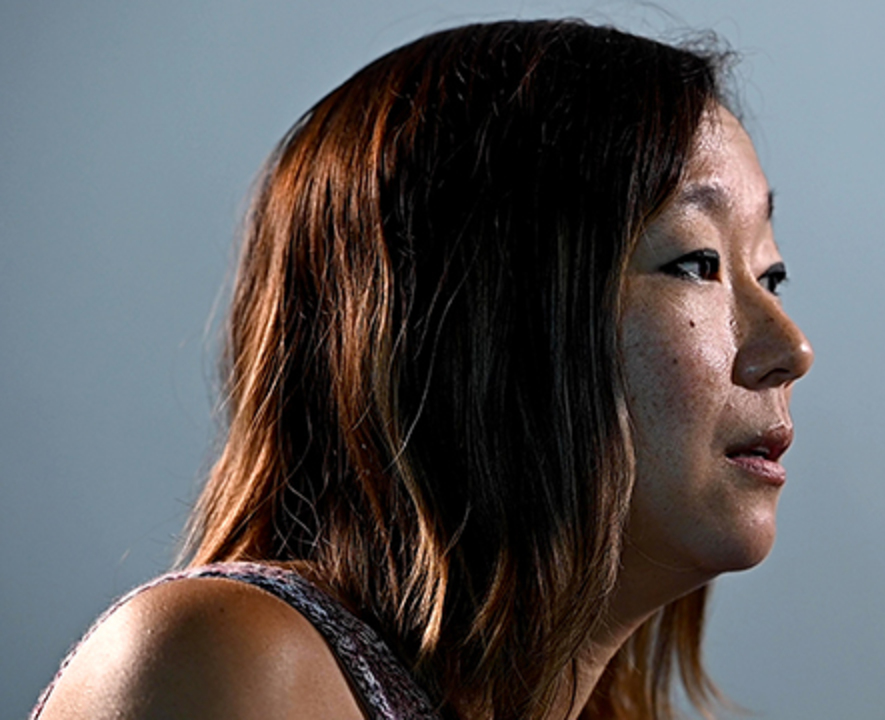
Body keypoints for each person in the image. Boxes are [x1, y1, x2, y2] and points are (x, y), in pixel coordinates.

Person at [32, 18, 812, 720]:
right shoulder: (235, 664)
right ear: (486, 318)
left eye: (769, 274)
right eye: (695, 263)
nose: (790, 349)